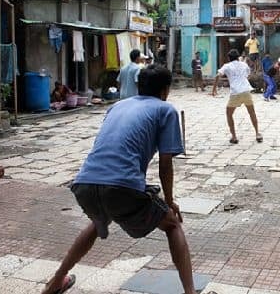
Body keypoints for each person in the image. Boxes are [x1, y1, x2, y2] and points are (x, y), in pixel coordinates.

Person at [41, 66, 196, 294]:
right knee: (172, 223)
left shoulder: (118, 105)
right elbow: (166, 164)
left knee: (98, 221)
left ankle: (55, 282)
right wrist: (170, 200)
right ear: (165, 90)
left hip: (84, 183)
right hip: (120, 186)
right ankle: (190, 292)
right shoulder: (165, 110)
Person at [212, 49, 263, 144]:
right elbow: (249, 74)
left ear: (229, 58)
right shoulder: (244, 64)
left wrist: (214, 90)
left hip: (235, 92)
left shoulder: (227, 66)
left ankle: (234, 137)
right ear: (238, 57)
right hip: (246, 91)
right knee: (252, 112)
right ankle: (257, 133)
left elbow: (217, 76)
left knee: (229, 113)